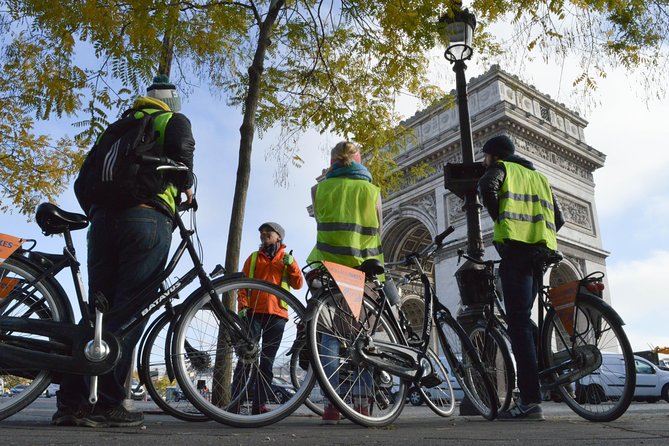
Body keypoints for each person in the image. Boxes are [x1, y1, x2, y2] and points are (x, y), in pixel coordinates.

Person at [53, 75, 195, 428]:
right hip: (147, 219)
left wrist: (99, 212)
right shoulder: (170, 119)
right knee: (130, 309)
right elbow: (183, 156)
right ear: (172, 101)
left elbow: (83, 179)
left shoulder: (115, 127)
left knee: (97, 315)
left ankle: (72, 402)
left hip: (101, 223)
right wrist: (187, 186)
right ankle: (108, 403)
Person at [477, 134, 564, 421]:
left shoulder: (501, 169)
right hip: (541, 254)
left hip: (515, 252)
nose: (484, 161)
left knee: (518, 324)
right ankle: (551, 377)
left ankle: (529, 400)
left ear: (494, 155)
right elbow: (559, 218)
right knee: (527, 320)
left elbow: (485, 188)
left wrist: (502, 221)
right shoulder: (538, 177)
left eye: (485, 156)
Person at [306, 141, 384, 424]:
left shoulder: (319, 189)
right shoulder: (372, 191)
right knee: (363, 336)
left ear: (333, 160)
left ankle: (331, 405)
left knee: (327, 337)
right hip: (361, 271)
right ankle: (362, 404)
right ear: (359, 159)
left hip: (327, 268)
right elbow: (379, 230)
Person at [232, 222, 303, 414]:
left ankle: (259, 405)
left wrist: (293, 265)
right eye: (261, 232)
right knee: (246, 359)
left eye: (268, 232)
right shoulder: (254, 258)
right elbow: (242, 284)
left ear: (279, 236)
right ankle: (235, 403)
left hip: (277, 315)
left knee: (267, 362)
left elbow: (298, 284)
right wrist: (243, 307)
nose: (263, 234)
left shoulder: (287, 258)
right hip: (253, 313)